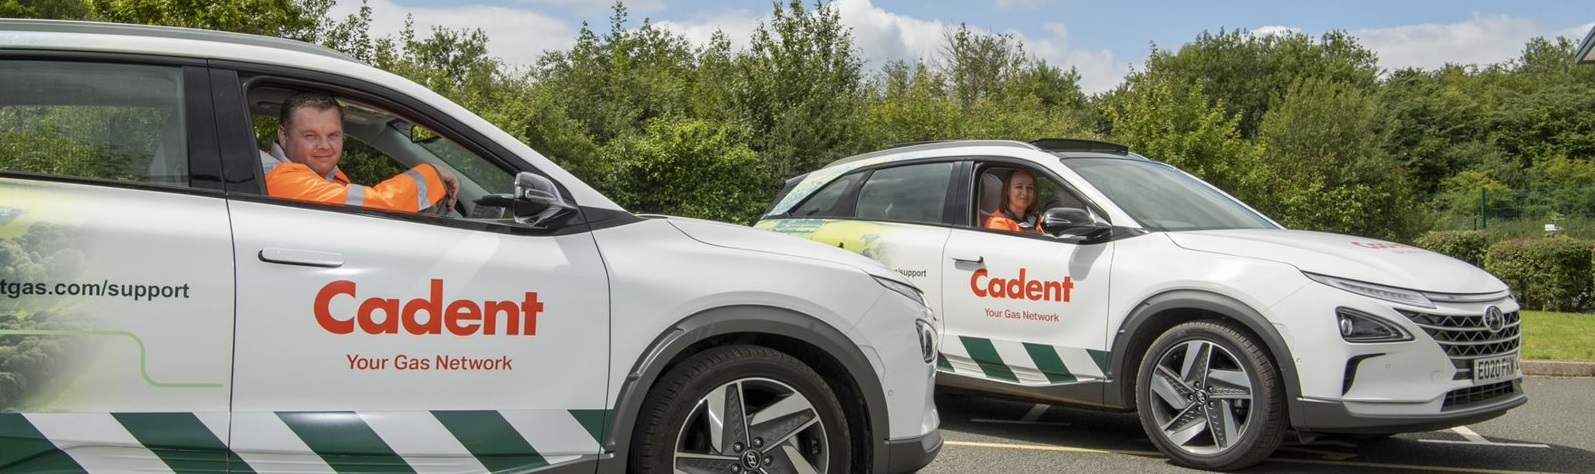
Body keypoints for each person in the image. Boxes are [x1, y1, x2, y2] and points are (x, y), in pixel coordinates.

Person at [263, 91, 457, 214]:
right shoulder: (282, 179)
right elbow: (377, 206)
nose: (324, 145)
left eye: (333, 135)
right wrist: (433, 173)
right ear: (284, 136)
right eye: (310, 136)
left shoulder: (328, 178)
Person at [984, 169, 1042, 233]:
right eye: (1019, 187)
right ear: (1007, 190)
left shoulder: (1037, 220)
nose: (1025, 193)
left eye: (1030, 188)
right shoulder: (998, 223)